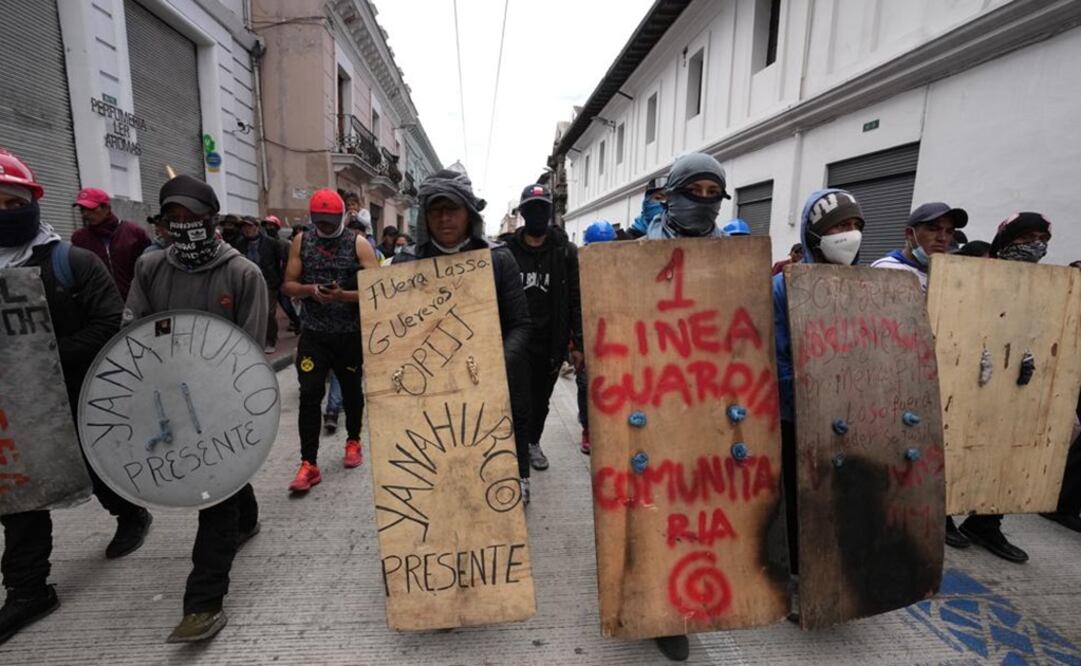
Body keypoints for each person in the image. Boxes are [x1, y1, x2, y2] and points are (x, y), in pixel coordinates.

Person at [0, 148, 152, 644]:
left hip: (73, 391)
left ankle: (129, 512)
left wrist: (43, 358)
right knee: (19, 493)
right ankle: (27, 588)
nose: (3, 213)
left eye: (10, 202)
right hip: (11, 409)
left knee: (89, 466)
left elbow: (110, 322)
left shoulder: (72, 262)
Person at [121, 174, 266, 642]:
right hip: (170, 403)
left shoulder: (243, 274)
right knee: (226, 488)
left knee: (214, 493)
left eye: (191, 218)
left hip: (222, 405)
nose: (181, 226)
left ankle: (203, 603)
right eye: (172, 219)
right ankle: (247, 517)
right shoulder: (150, 269)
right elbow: (134, 331)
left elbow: (250, 352)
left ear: (211, 220)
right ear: (161, 223)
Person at [637, 153, 734, 662]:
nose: (702, 201)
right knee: (652, 506)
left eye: (710, 192)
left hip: (709, 402)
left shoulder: (734, 261)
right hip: (650, 403)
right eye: (691, 191)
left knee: (697, 507)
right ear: (668, 195)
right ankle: (658, 608)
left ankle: (686, 597)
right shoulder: (634, 257)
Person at [391, 169, 532, 501]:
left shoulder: (498, 259)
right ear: (425, 217)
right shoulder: (405, 263)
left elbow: (521, 325)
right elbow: (392, 330)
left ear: (470, 213)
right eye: (435, 210)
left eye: (452, 208)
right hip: (427, 388)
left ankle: (517, 478)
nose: (444, 218)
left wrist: (495, 362)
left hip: (486, 385)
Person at [773, 188, 865, 625]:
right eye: (837, 228)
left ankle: (833, 572)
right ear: (814, 234)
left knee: (840, 495)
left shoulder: (868, 287)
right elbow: (776, 354)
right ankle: (794, 579)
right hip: (796, 416)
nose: (848, 236)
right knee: (797, 496)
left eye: (854, 227)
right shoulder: (782, 286)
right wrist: (812, 391)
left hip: (852, 416)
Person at [955, 212, 1054, 563]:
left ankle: (986, 521)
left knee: (1005, 451)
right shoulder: (977, 276)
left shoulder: (1045, 285)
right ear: (1007, 240)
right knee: (958, 444)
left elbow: (1039, 326)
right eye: (1027, 237)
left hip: (1015, 380)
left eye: (1042, 238)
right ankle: (943, 513)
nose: (1036, 245)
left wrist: (1030, 354)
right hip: (969, 375)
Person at [281, 189, 379, 493]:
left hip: (348, 334)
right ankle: (308, 463)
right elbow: (288, 285)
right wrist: (311, 290)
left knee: (351, 392)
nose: (324, 227)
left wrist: (342, 296)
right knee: (309, 394)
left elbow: (379, 290)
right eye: (319, 222)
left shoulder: (358, 244)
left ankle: (353, 441)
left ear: (343, 217)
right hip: (314, 334)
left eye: (330, 221)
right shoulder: (302, 241)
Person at [507, 184, 584, 475]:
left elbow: (576, 298)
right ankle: (517, 446)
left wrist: (578, 344)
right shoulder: (508, 251)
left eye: (543, 209)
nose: (537, 214)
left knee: (541, 400)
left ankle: (533, 442)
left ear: (550, 212)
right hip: (517, 341)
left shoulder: (565, 251)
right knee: (519, 399)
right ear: (523, 213)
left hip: (551, 341)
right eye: (532, 209)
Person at [576, 220, 616, 455]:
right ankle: (588, 429)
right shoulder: (579, 272)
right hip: (588, 339)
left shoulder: (621, 268)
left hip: (614, 339)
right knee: (585, 385)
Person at [70, 187, 150, 299]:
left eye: (91, 208)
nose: (86, 214)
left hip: (135, 301)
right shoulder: (79, 238)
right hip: (101, 306)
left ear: (106, 208)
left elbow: (149, 269)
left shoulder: (135, 232)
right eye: (82, 209)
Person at [870, 202, 968, 293]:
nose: (942, 238)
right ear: (909, 234)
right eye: (933, 229)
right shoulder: (886, 269)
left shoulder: (948, 277)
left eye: (949, 232)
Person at [233, 216, 288, 353]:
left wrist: (281, 281)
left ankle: (270, 340)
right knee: (248, 311)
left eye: (250, 226)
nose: (247, 229)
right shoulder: (239, 244)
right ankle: (251, 339)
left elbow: (280, 263)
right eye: (244, 227)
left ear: (257, 227)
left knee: (268, 312)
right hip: (248, 282)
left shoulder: (272, 243)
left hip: (269, 282)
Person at [645, 156, 730, 239]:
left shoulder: (734, 248)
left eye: (712, 192)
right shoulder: (638, 249)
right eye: (693, 190)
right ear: (671, 195)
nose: (704, 198)